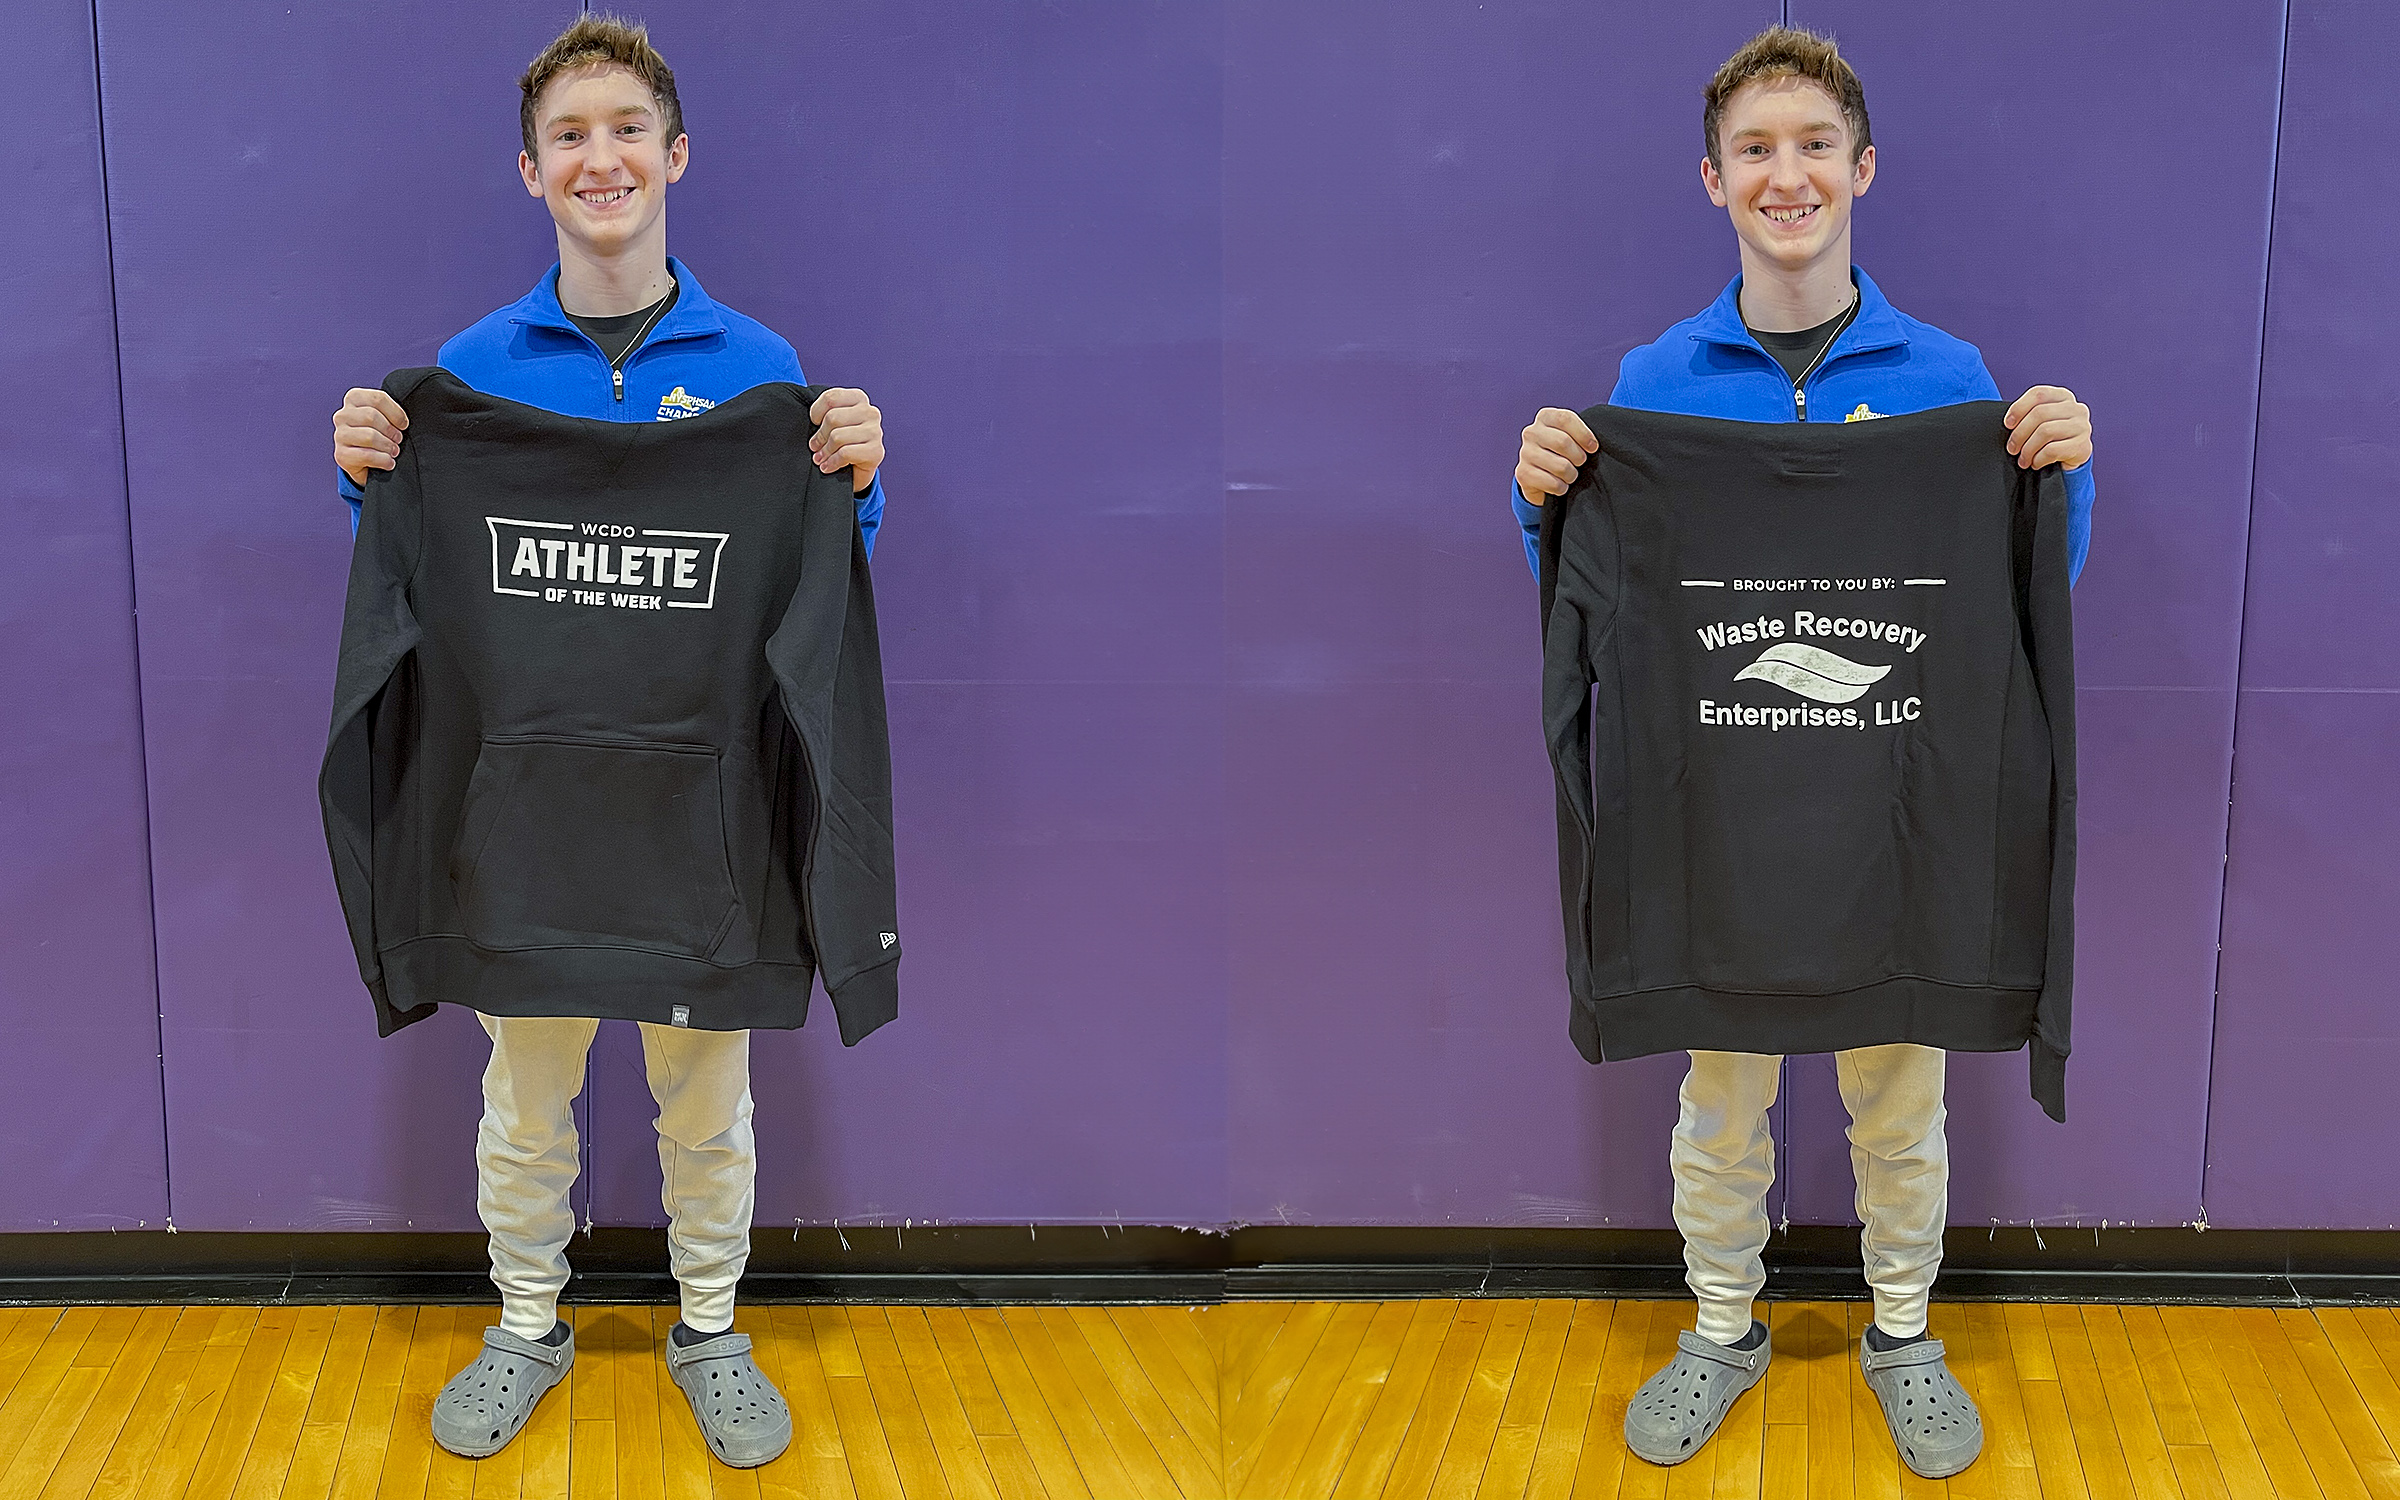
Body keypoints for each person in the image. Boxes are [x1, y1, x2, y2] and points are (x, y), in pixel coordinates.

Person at [1510, 26, 2094, 1480]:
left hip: (1898, 816)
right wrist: (1546, 502)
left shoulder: (1951, 374)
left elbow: (2020, 599)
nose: (1790, 175)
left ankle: (1906, 1333)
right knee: (1721, 1103)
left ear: (1863, 169)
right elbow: (1605, 589)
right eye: (1758, 151)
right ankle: (1723, 1325)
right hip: (1724, 820)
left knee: (1902, 1105)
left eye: (1815, 146)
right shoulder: (1657, 378)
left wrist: (2056, 477)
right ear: (1714, 181)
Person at [329, 14, 888, 1470]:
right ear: (531, 172)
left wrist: (851, 482)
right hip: (524, 824)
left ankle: (711, 1326)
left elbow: (820, 576)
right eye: (571, 136)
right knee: (525, 1104)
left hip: (697, 822)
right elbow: (416, 574)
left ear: (675, 155)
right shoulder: (467, 371)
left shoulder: (764, 367)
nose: (602, 157)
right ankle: (528, 1322)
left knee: (709, 1105)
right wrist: (376, 477)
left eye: (627, 130)